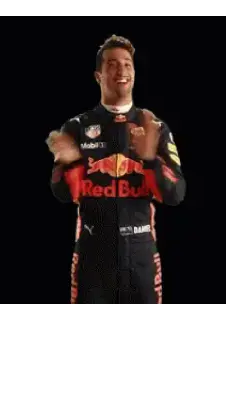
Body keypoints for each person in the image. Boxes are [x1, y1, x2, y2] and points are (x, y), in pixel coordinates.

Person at [46, 34, 186, 304]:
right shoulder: (76, 127)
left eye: (127, 64)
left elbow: (176, 194)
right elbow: (62, 193)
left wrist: (150, 160)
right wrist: (71, 163)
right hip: (92, 257)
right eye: (112, 64)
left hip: (142, 257)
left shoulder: (155, 127)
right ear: (98, 76)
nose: (121, 70)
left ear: (134, 73)